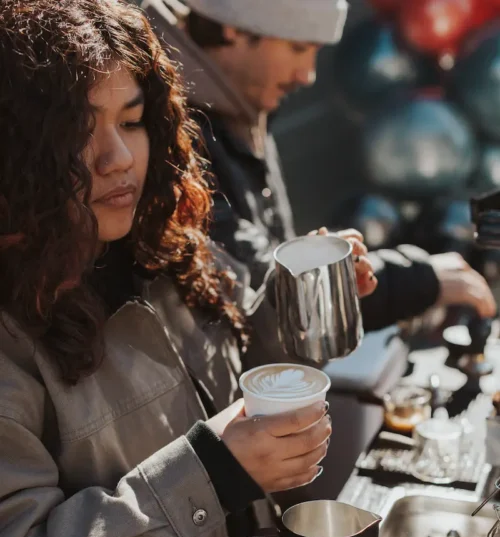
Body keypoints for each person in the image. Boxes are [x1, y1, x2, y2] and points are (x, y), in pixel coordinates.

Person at [0, 1, 381, 537]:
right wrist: (210, 470)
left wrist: (300, 304)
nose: (118, 158)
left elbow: (236, 370)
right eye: (77, 130)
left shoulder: (160, 247)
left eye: (132, 119)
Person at [143, 0, 496, 325]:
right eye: (298, 48)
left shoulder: (241, 96)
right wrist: (414, 280)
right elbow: (248, 281)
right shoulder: (165, 127)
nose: (308, 75)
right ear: (231, 29)